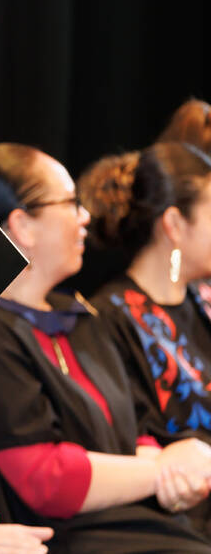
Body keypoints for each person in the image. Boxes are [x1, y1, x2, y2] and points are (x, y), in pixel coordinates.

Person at [0, 143, 211, 552]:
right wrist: (159, 472)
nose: (85, 217)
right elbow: (40, 474)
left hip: (131, 514)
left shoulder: (80, 316)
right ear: (23, 225)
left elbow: (136, 427)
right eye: (71, 203)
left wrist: (174, 472)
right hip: (62, 532)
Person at [83, 142, 211, 535]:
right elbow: (131, 442)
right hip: (174, 526)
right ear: (173, 224)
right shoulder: (109, 318)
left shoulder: (198, 302)